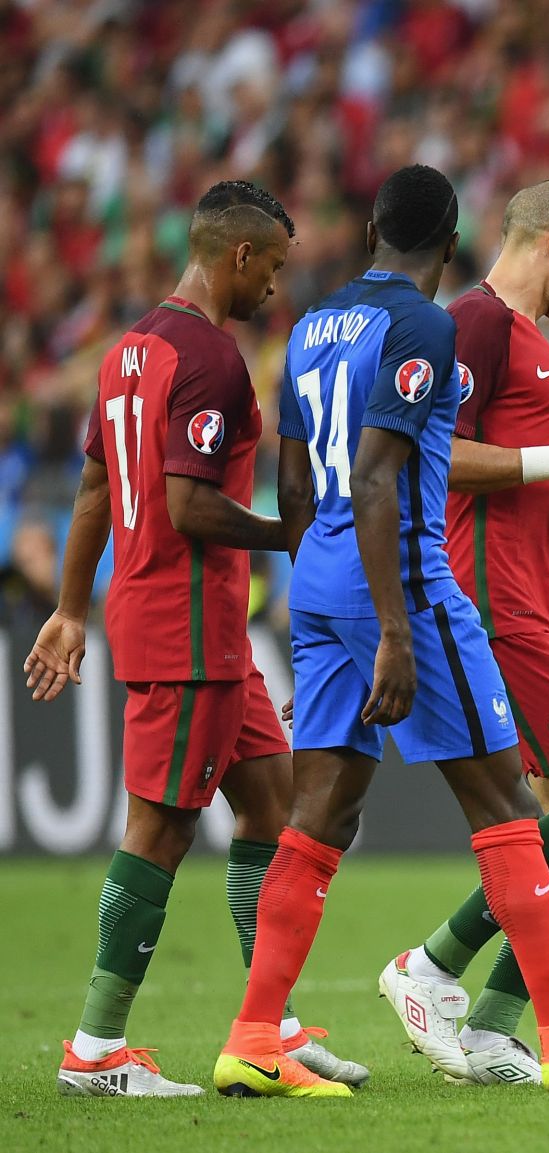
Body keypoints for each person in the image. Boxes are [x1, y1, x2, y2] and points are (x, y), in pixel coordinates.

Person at [210, 165, 549, 1099]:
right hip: (408, 586)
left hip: (319, 580)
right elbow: (386, 478)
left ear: (372, 225)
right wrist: (391, 624)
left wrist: (326, 600)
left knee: (323, 813)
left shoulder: (309, 327)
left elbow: (294, 485)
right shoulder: (425, 324)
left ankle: (256, 1035)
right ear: (453, 236)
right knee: (508, 806)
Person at [25, 181, 366, 1098]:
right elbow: (188, 505)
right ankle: (94, 1049)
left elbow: (98, 490)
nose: (276, 290)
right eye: (276, 270)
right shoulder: (212, 358)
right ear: (240, 256)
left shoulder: (128, 350)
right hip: (186, 628)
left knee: (272, 800)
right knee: (162, 829)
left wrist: (68, 606)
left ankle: (271, 1027)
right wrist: (290, 533)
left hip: (197, 626)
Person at [379, 180, 549, 1087]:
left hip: (538, 591)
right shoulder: (480, 324)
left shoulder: (528, 340)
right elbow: (434, 450)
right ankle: (436, 970)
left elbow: (506, 484)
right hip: (497, 606)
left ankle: (489, 1016)